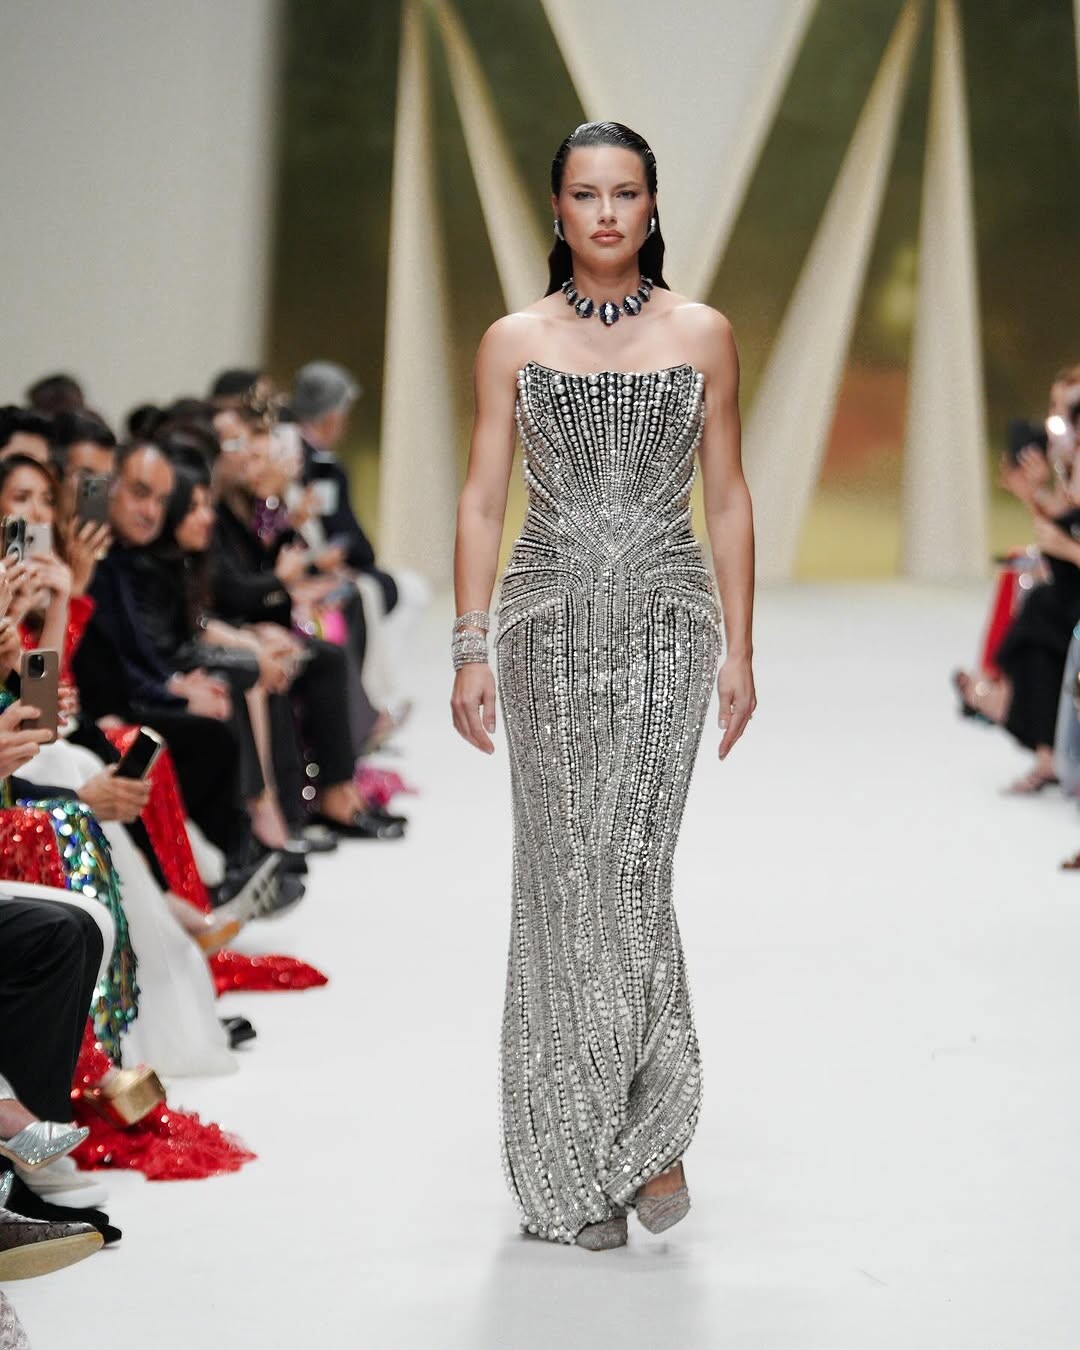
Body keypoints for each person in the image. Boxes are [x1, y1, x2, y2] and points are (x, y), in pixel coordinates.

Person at [450, 121, 756, 1250]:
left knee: (629, 865)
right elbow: (484, 499)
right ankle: (579, 1156)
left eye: (626, 193)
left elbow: (728, 494)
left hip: (671, 623)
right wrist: (470, 644)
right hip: (543, 629)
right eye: (587, 194)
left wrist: (742, 648)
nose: (609, 213)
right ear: (558, 209)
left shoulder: (704, 333)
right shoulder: (512, 341)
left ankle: (649, 1132)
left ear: (654, 204)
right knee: (564, 875)